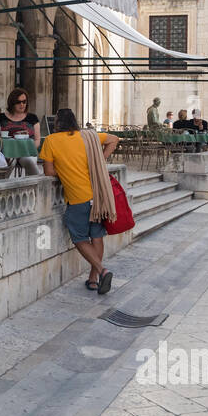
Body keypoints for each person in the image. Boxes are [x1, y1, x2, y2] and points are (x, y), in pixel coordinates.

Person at [39, 108, 120, 295]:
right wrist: (99, 159)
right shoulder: (88, 137)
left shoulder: (51, 141)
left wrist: (66, 169)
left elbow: (48, 172)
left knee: (80, 238)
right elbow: (114, 139)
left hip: (78, 198)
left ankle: (102, 271)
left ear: (57, 123)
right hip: (98, 195)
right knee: (97, 236)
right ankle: (93, 280)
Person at [0, 87, 40, 176]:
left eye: (24, 102)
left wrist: (29, 149)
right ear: (12, 103)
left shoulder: (32, 118)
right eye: (18, 102)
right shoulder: (1, 117)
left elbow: (37, 139)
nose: (22, 104)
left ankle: (34, 185)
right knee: (9, 162)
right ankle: (0, 187)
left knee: (29, 161)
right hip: (7, 151)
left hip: (26, 152)